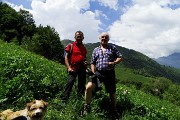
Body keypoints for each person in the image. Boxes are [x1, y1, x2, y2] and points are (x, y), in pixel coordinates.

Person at [82, 32, 122, 119]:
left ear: (108, 39)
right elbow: (92, 62)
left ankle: (114, 110)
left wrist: (114, 62)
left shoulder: (112, 48)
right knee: (88, 87)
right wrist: (93, 72)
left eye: (106, 37)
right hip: (98, 73)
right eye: (102, 37)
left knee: (112, 93)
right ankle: (86, 107)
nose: (104, 38)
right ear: (99, 39)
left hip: (110, 73)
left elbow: (120, 57)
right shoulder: (95, 50)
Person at [61, 31, 87, 103]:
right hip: (73, 68)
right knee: (70, 83)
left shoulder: (83, 47)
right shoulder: (71, 46)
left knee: (81, 85)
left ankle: (79, 100)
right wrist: (69, 67)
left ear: (83, 38)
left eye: (80, 36)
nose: (79, 38)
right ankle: (64, 100)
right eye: (77, 36)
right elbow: (66, 57)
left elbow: (84, 57)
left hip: (82, 69)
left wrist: (85, 61)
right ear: (75, 37)